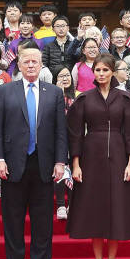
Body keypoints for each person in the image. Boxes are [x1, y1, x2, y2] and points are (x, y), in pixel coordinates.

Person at [0, 47, 68, 259]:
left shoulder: (54, 92)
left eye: (35, 61)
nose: (31, 65)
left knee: (43, 223)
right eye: (27, 62)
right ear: (19, 65)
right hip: (12, 166)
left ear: (41, 64)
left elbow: (60, 132)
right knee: (12, 223)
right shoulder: (5, 91)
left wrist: (60, 162)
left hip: (44, 166)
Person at [67, 53, 130, 259]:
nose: (101, 74)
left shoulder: (125, 98)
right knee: (95, 213)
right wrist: (76, 164)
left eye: (105, 70)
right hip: (91, 157)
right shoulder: (84, 99)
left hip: (120, 157)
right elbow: (75, 133)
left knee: (116, 212)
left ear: (113, 72)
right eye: (97, 70)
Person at [52, 65, 76, 219]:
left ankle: (72, 206)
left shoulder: (78, 97)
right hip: (57, 140)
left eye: (67, 75)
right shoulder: (50, 97)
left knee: (74, 173)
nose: (65, 78)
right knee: (60, 170)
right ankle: (61, 205)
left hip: (74, 139)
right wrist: (58, 95)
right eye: (61, 76)